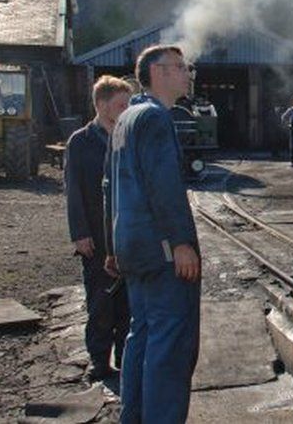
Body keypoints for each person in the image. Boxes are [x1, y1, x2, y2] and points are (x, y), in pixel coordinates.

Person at [104, 44, 201, 423]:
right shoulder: (158, 119)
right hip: (161, 251)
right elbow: (164, 185)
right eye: (180, 67)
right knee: (170, 347)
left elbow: (110, 185)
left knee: (140, 336)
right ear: (158, 72)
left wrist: (113, 247)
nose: (186, 74)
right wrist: (179, 242)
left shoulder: (126, 118)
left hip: (132, 249)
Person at [64, 75, 133, 381]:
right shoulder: (81, 141)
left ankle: (126, 358)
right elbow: (73, 190)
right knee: (101, 302)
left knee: (128, 304)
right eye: (122, 104)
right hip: (95, 234)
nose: (127, 109)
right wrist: (79, 234)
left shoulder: (128, 138)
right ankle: (99, 361)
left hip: (127, 234)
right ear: (103, 105)